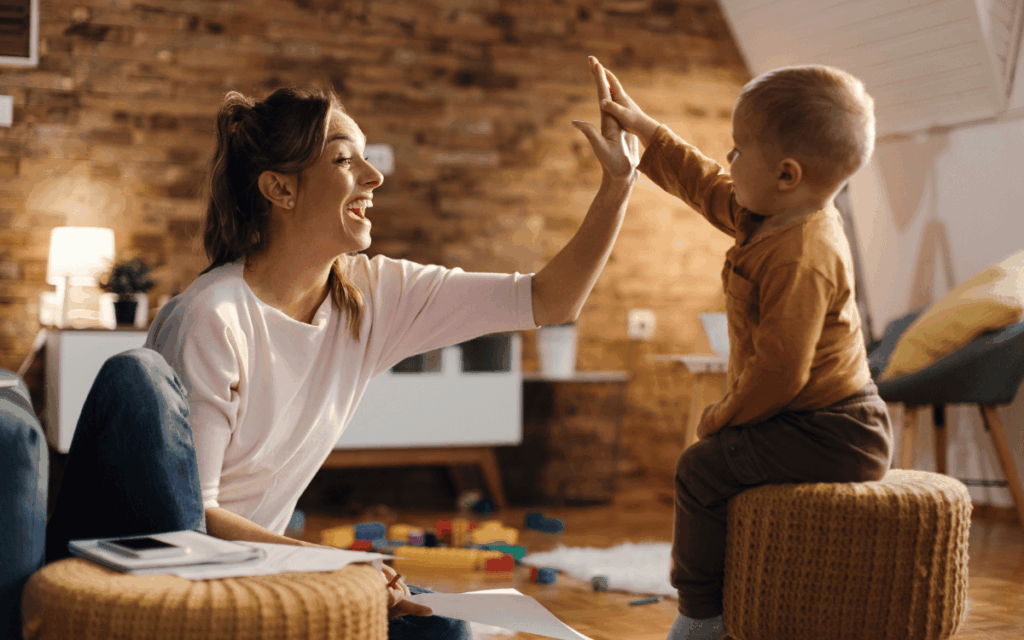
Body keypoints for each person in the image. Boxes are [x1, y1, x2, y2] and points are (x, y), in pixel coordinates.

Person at [44, 57, 637, 639]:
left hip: (263, 571)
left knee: (444, 629)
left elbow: (549, 300)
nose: (374, 178)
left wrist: (617, 188)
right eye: (346, 161)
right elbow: (192, 520)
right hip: (181, 570)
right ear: (280, 188)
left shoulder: (373, 295)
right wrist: (336, 568)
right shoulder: (212, 317)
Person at [589, 58, 893, 640]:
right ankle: (739, 593)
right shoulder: (769, 215)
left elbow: (781, 371)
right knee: (721, 466)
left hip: (835, 430)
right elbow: (701, 182)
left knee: (700, 469)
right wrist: (646, 132)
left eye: (737, 150)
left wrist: (721, 418)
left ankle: (702, 616)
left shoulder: (803, 252)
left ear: (785, 172)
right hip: (806, 419)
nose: (728, 161)